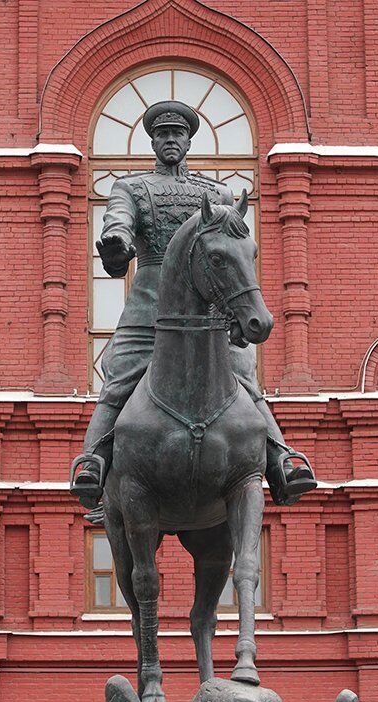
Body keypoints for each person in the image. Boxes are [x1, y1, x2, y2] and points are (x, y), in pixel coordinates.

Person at [70, 99, 315, 516]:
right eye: (162, 134)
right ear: (153, 141)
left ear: (187, 141)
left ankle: (281, 460)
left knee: (245, 381)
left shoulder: (217, 193)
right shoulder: (132, 187)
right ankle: (92, 462)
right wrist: (116, 243)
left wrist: (237, 312)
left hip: (212, 313)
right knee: (118, 380)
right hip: (149, 306)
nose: (170, 140)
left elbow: (233, 254)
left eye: (177, 134)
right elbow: (118, 219)